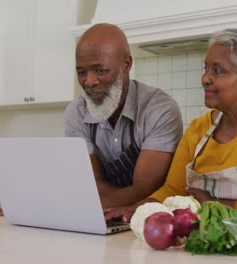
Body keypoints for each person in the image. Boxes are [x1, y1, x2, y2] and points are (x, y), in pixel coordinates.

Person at [104, 28, 237, 221]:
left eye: (217, 71)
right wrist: (138, 208)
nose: (204, 79)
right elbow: (173, 189)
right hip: (202, 238)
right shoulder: (198, 129)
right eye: (206, 69)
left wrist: (212, 204)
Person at [64, 23, 183, 208]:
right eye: (81, 72)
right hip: (103, 215)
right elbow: (90, 186)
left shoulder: (159, 109)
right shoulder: (76, 112)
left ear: (126, 65)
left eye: (100, 70)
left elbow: (145, 190)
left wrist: (94, 201)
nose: (90, 81)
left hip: (150, 218)